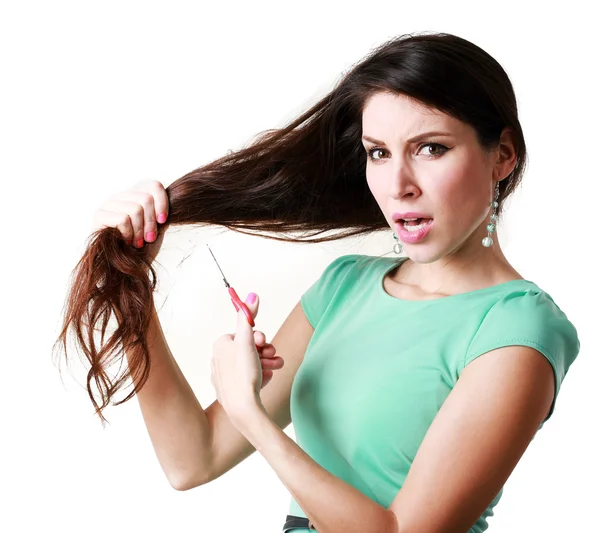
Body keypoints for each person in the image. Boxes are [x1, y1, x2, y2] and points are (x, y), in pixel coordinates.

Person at [53, 31, 580, 532]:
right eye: (378, 152)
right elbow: (192, 459)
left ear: (503, 155)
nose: (398, 185)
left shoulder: (518, 326)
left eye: (431, 148)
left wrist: (252, 415)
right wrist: (132, 285)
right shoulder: (344, 287)